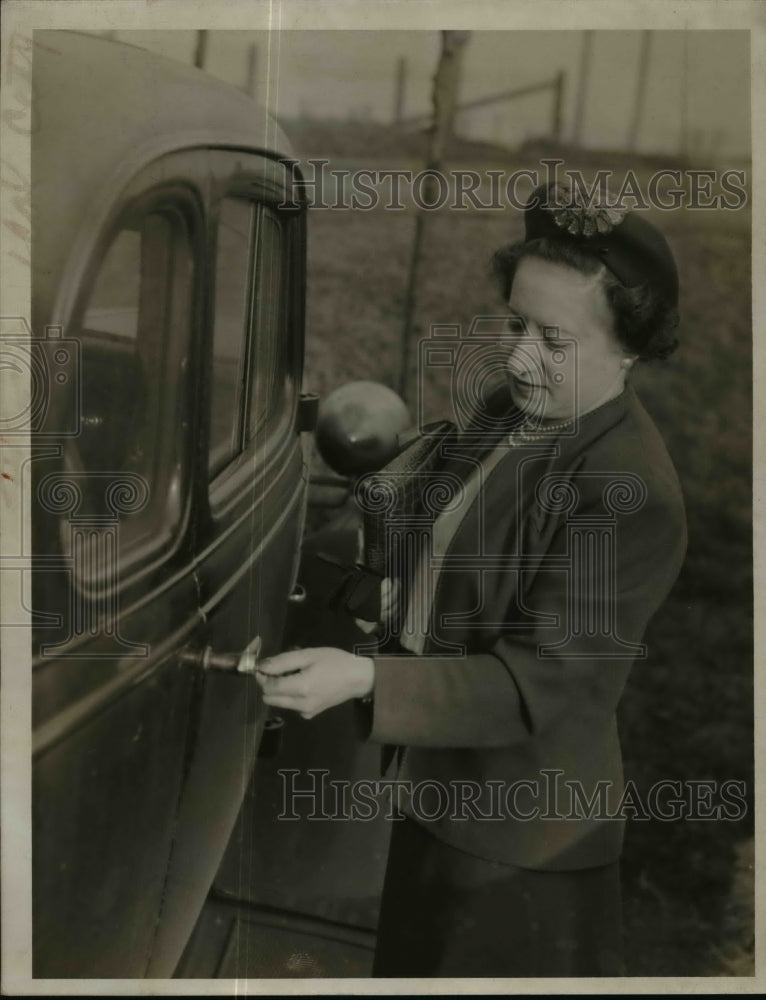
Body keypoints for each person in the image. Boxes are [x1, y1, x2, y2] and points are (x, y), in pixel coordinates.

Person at [256, 180, 687, 977]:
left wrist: (365, 678)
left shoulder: (628, 494)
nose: (520, 354)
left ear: (629, 346)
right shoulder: (511, 409)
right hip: (440, 792)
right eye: (514, 324)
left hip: (521, 842)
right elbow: (433, 525)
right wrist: (384, 588)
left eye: (554, 339)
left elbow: (542, 685)